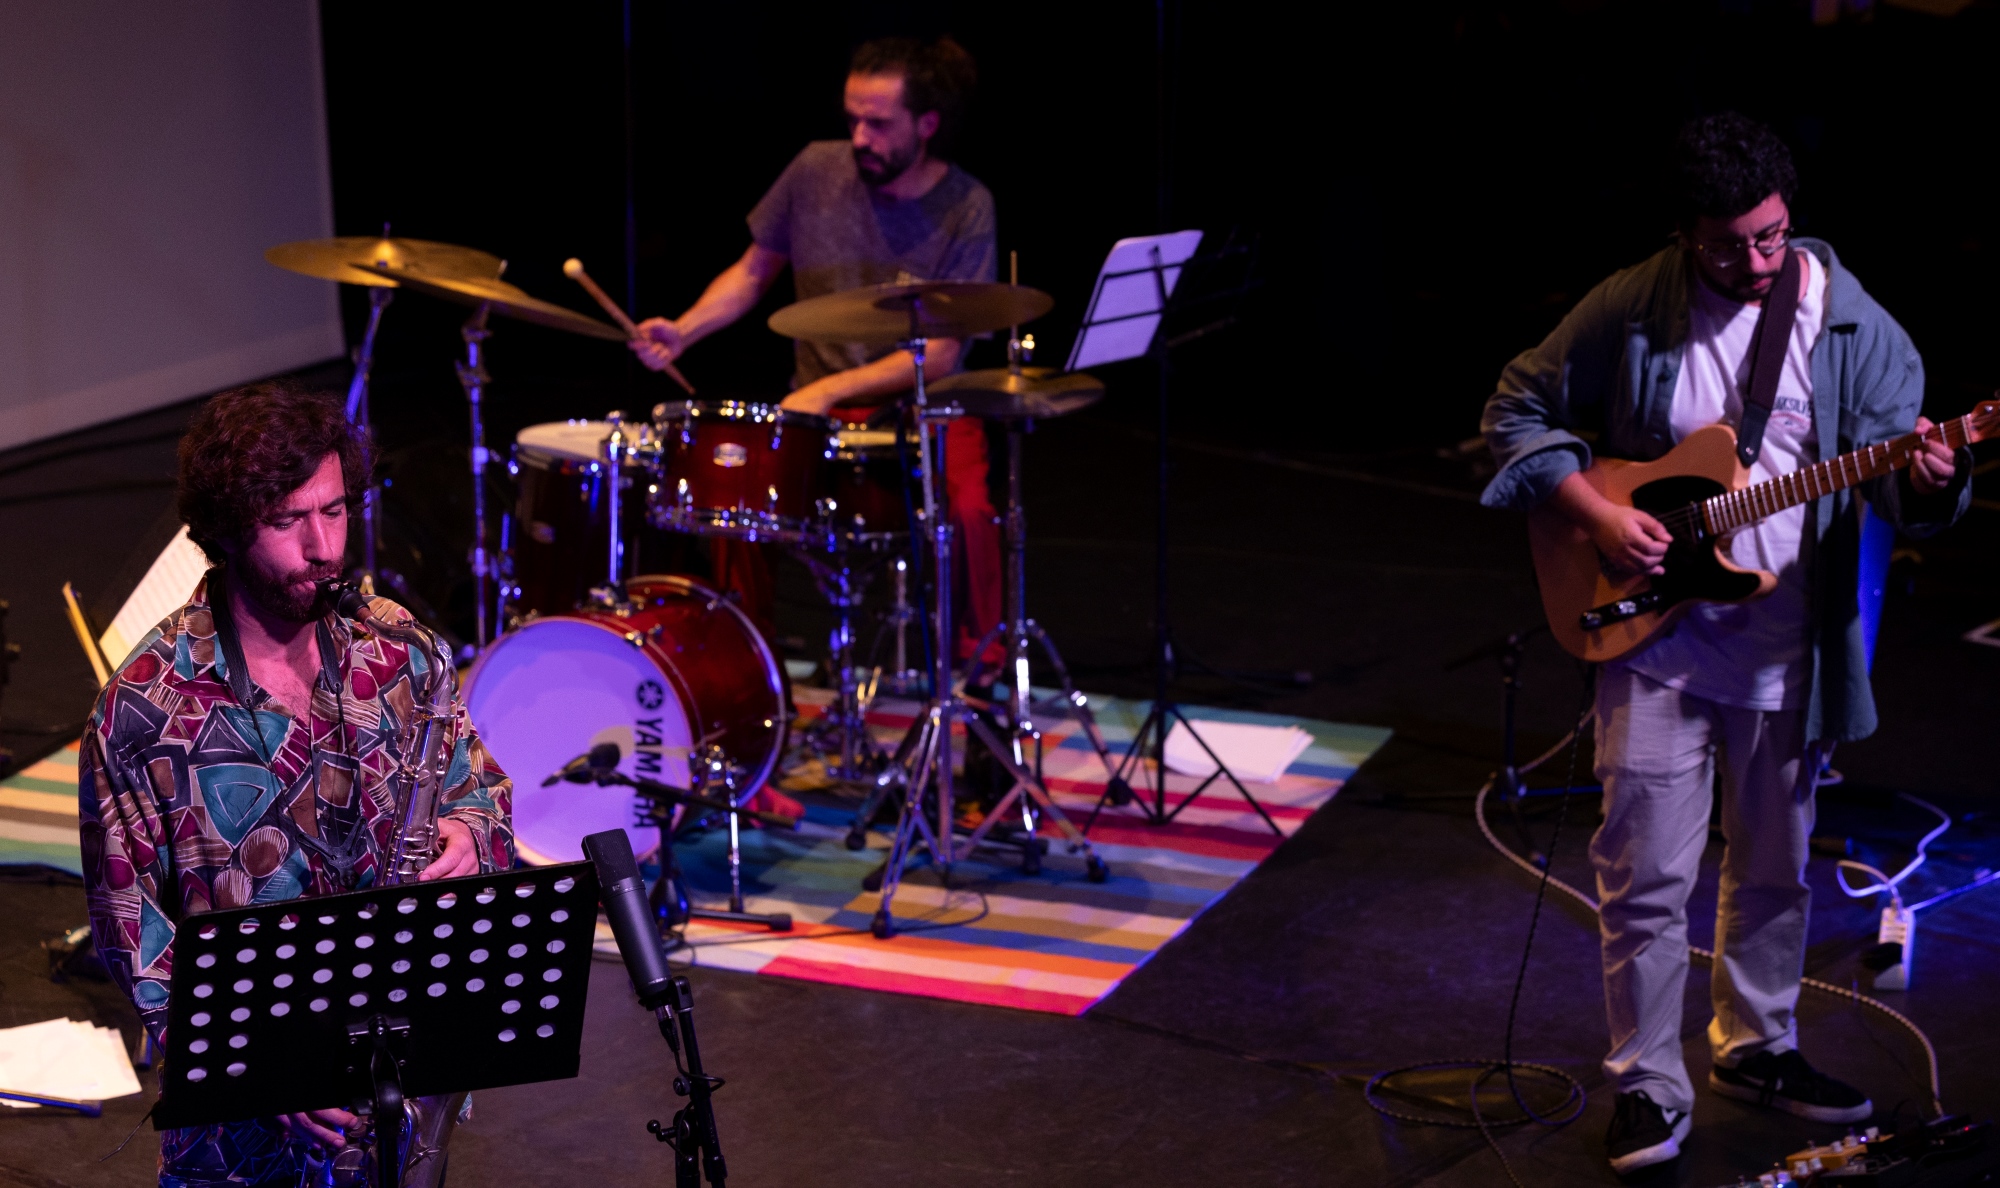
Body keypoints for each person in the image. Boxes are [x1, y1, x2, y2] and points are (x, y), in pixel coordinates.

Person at [1480, 112, 1968, 1175]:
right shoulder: (1634, 301)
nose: (1752, 262)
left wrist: (1929, 476)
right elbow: (1512, 409)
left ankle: (1756, 1048)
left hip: (1788, 654)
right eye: (1725, 246)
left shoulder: (1854, 326)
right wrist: (1600, 516)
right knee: (1645, 877)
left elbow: (1902, 489)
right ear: (1683, 234)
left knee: (1775, 871)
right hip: (1654, 644)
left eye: (1769, 235)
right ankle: (1647, 1086)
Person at [79, 381, 515, 1187]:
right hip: (240, 1135)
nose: (323, 547)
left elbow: (477, 788)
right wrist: (262, 1061)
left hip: (394, 1084)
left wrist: (467, 830)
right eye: (287, 521)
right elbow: (130, 932)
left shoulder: (398, 650)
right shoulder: (143, 705)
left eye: (335, 510)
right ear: (226, 528)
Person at [631, 34, 1003, 659]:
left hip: (923, 407)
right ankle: (751, 668)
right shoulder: (813, 170)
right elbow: (753, 272)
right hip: (818, 412)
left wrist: (825, 391)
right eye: (853, 119)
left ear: (927, 124)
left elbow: (941, 354)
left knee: (969, 511)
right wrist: (684, 330)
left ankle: (983, 673)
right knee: (732, 496)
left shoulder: (967, 205)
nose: (860, 137)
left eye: (879, 124)